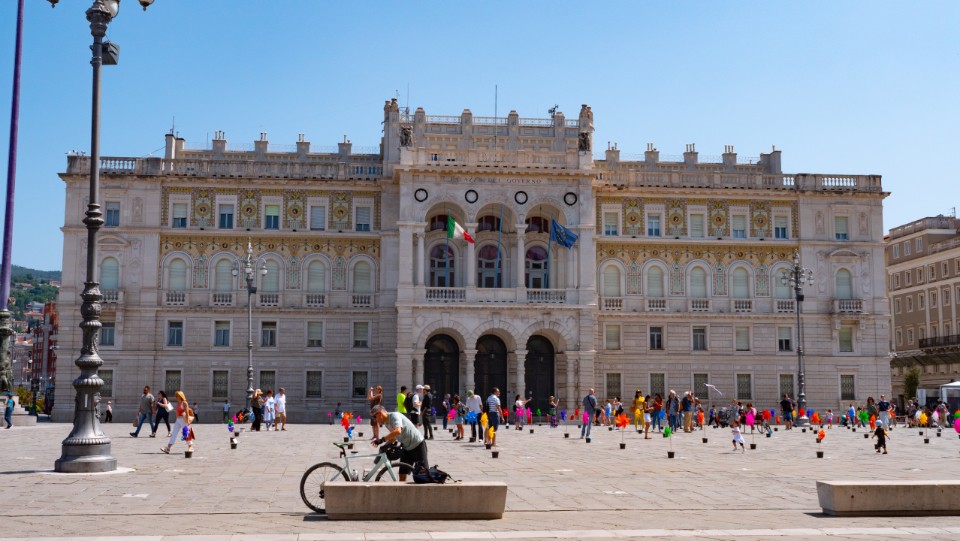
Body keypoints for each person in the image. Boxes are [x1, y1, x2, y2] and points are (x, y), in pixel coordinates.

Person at [371, 405, 427, 482]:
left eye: (374, 417)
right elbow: (394, 437)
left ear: (380, 413)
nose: (374, 420)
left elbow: (398, 431)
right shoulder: (387, 423)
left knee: (423, 474)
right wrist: (384, 446)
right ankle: (402, 489)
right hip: (406, 448)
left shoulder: (394, 416)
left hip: (418, 444)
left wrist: (382, 440)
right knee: (402, 473)